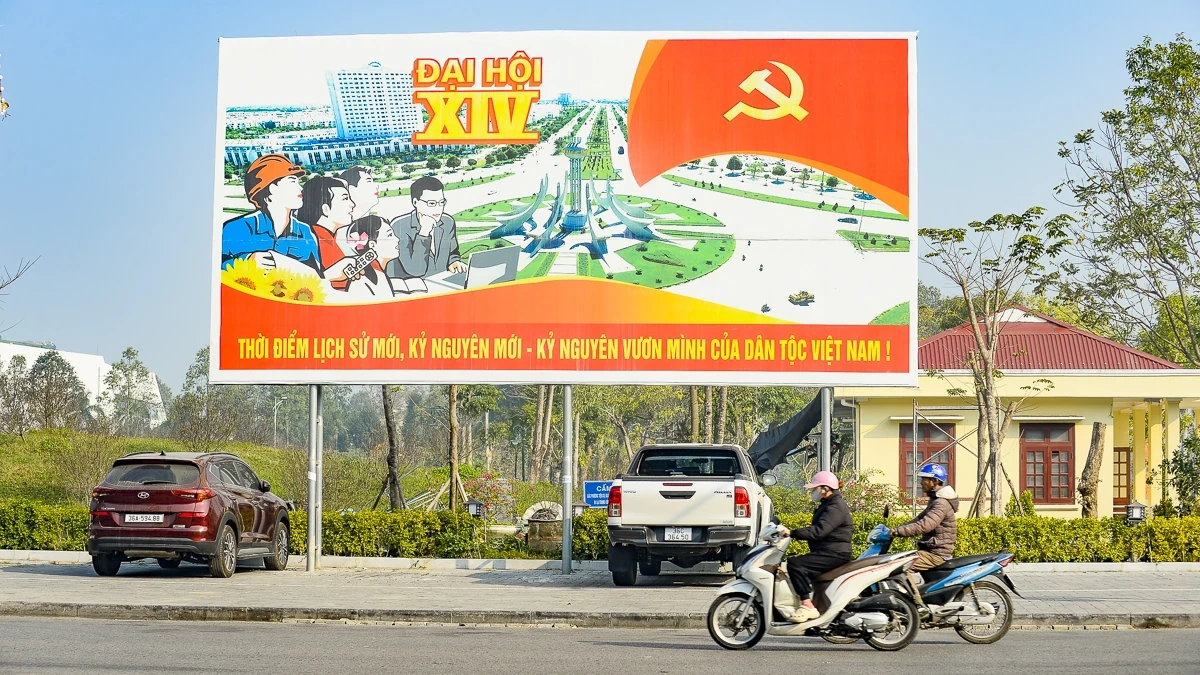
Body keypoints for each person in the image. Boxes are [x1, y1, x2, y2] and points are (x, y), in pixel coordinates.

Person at [221, 154, 322, 275]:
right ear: (272, 188)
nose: (300, 188)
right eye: (292, 182)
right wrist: (247, 261)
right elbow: (214, 266)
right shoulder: (237, 228)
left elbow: (317, 278)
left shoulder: (305, 232)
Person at [778, 471, 853, 622]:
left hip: (835, 553)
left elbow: (819, 531)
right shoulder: (829, 504)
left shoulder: (835, 507)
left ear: (825, 488)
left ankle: (807, 605)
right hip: (829, 551)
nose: (813, 492)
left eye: (815, 488)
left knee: (795, 564)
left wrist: (792, 533)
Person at [889, 463, 959, 586]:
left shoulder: (941, 503)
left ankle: (914, 597)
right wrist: (898, 529)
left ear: (935, 481)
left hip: (937, 554)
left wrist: (898, 532)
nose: (921, 483)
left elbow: (925, 525)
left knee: (901, 567)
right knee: (896, 561)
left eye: (924, 479)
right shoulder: (935, 500)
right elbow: (919, 519)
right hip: (931, 550)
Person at [387, 176, 467, 281]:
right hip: (410, 286)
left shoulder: (447, 222)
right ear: (415, 202)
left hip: (441, 284)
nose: (438, 208)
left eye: (441, 202)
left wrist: (454, 262)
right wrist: (424, 232)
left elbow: (453, 253)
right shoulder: (399, 226)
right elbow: (416, 270)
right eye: (432, 203)